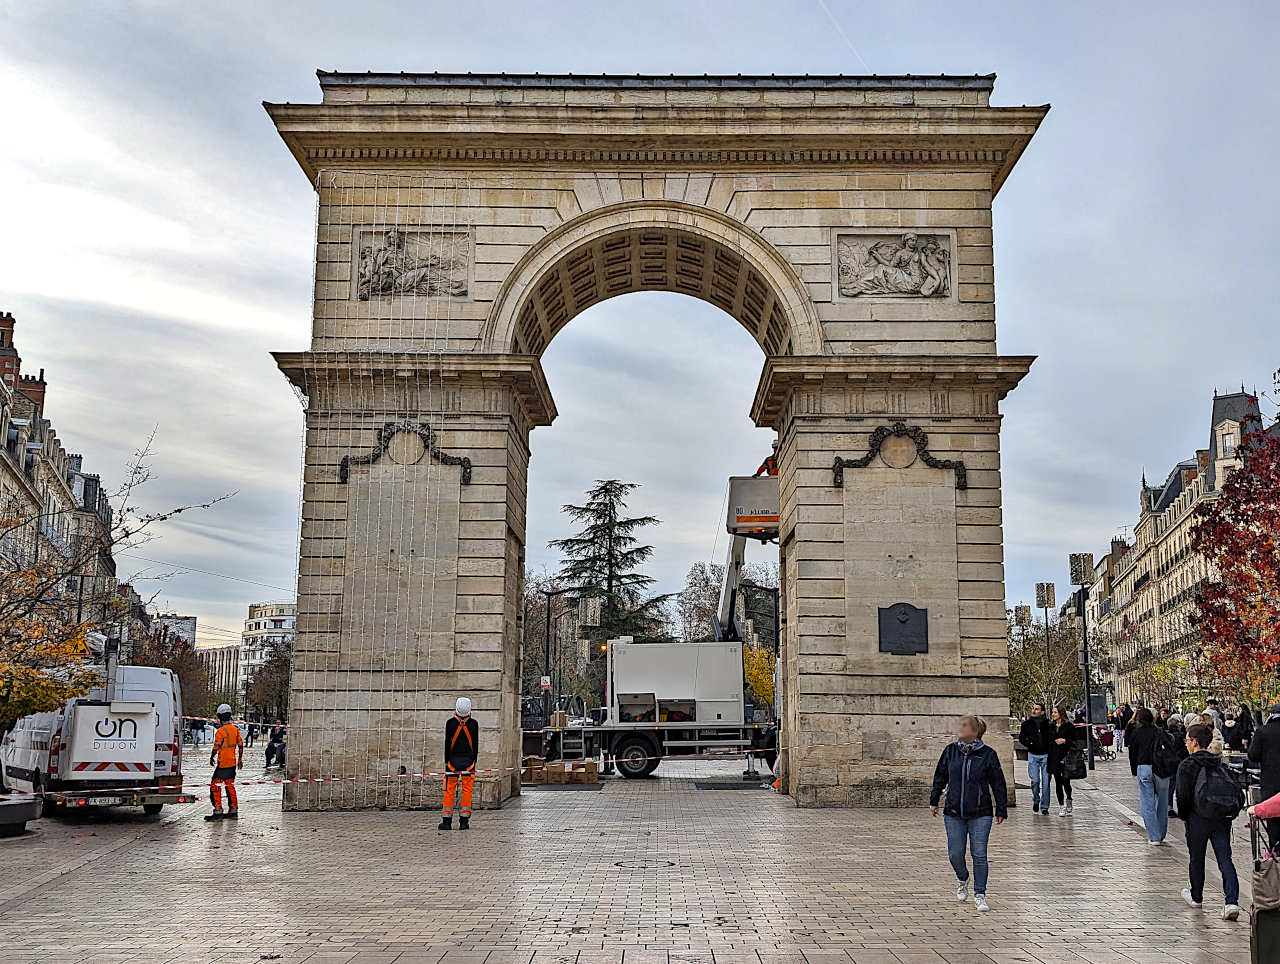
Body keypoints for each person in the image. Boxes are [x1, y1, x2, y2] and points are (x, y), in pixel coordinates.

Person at [929, 714, 1007, 913]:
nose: (960, 728)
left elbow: (998, 782)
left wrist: (1001, 807)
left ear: (974, 731)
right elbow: (940, 775)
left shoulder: (988, 754)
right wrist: (934, 799)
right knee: (955, 853)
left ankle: (980, 894)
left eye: (964, 725)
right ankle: (963, 878)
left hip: (981, 812)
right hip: (954, 811)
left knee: (979, 854)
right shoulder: (950, 751)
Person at [1174, 723, 1241, 921]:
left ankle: (1197, 896)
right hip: (1220, 817)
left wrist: (1185, 817)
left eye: (1187, 740)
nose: (1186, 744)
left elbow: (1182, 796)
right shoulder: (1219, 763)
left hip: (1197, 819)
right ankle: (1231, 901)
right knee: (1224, 858)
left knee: (1197, 858)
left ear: (1194, 742)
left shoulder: (1187, 765)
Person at [1128, 707, 1170, 844]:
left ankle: (1154, 836)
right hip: (1162, 769)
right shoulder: (1159, 731)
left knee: (1147, 803)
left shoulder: (1136, 733)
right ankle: (1161, 833)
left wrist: (1134, 770)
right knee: (1163, 803)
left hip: (1144, 767)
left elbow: (1132, 753)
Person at [439, 696, 479, 831]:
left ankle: (446, 821)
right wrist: (474, 762)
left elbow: (447, 744)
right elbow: (475, 745)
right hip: (469, 762)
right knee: (467, 791)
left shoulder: (450, 723)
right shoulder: (474, 724)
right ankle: (464, 822)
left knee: (449, 790)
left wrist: (446, 762)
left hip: (452, 763)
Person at [1248, 702, 1280, 849]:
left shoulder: (1262, 732)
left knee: (1272, 819)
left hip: (1271, 783)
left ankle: (1275, 853)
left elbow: (1253, 756)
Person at [205, 704, 244, 821]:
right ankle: (233, 810)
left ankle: (218, 810)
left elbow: (216, 747)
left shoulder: (220, 731)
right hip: (232, 763)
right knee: (229, 785)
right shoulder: (235, 730)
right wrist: (240, 759)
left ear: (220, 717)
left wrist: (211, 757)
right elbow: (241, 745)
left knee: (215, 784)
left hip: (223, 764)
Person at [1018, 703, 1054, 816]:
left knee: (1046, 783)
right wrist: (1030, 744)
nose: (1033, 711)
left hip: (1046, 755)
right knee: (1035, 781)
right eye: (1033, 708)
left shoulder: (1049, 724)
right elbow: (1022, 738)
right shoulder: (1026, 724)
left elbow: (1053, 737)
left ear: (1042, 712)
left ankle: (1044, 807)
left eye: (1036, 709)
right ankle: (1036, 799)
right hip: (1033, 755)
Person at [1048, 705, 1079, 817]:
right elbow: (1048, 740)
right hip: (1054, 758)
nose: (1053, 714)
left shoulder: (1069, 726)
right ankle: (1061, 805)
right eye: (1052, 712)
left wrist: (1065, 740)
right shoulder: (1050, 726)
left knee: (1066, 782)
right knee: (1057, 783)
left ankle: (1069, 799)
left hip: (1066, 758)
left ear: (1061, 713)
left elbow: (1075, 742)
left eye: (1055, 712)